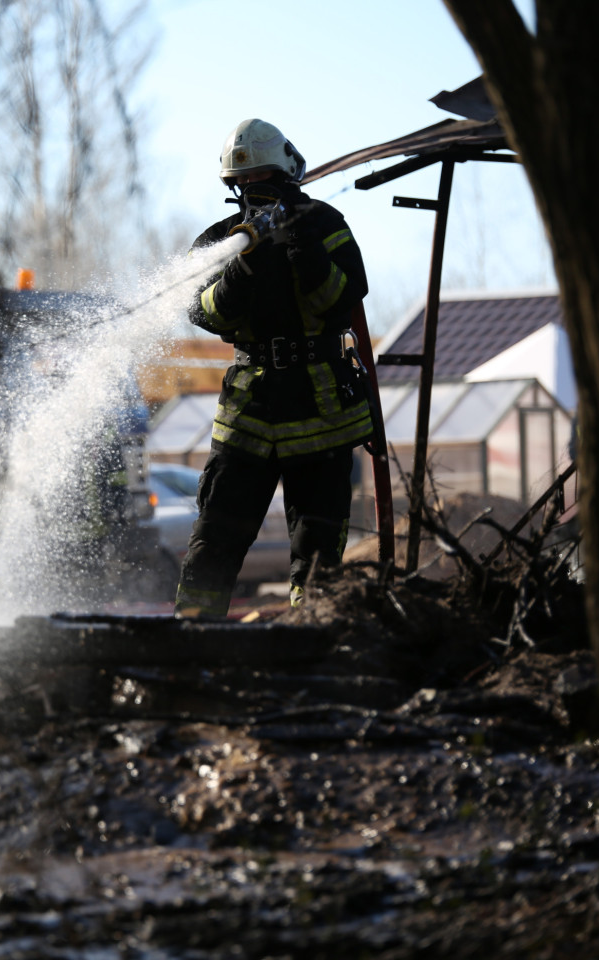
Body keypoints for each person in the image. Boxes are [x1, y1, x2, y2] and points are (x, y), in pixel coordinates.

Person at [175, 118, 373, 617]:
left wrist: (306, 253)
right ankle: (190, 637)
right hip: (249, 411)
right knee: (214, 541)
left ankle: (311, 637)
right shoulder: (221, 240)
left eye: (261, 178)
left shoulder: (323, 224)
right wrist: (240, 271)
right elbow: (205, 313)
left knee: (317, 554)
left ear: (284, 175)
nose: (253, 189)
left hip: (320, 409)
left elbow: (343, 299)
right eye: (244, 181)